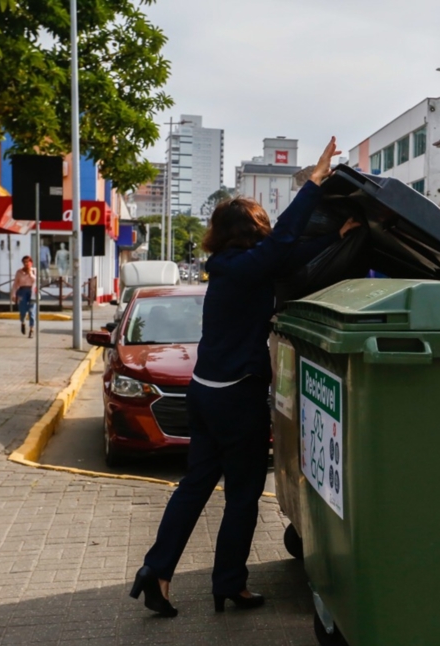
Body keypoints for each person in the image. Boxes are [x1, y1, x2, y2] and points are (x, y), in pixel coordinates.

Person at [131, 137, 359, 617]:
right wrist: (314, 182)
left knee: (195, 485)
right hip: (236, 398)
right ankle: (229, 582)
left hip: (205, 393)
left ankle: (157, 571)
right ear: (255, 230)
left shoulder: (234, 268)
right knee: (242, 495)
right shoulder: (248, 267)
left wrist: (336, 238)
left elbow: (288, 256)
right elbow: (281, 248)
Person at [10, 255, 37, 338]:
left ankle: (31, 329)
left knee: (32, 311)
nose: (26, 264)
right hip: (22, 291)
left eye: (28, 262)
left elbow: (36, 280)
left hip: (32, 291)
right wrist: (13, 294)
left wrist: (30, 273)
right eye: (24, 262)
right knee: (23, 310)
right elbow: (15, 284)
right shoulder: (19, 272)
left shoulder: (34, 270)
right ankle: (23, 322)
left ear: (31, 262)